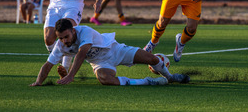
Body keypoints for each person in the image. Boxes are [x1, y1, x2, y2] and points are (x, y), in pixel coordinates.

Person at [29, 18, 190, 86]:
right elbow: (47, 65)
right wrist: (38, 81)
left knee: (151, 58)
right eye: (61, 38)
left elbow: (81, 53)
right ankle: (148, 82)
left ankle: (170, 77)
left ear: (73, 31)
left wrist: (70, 76)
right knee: (105, 79)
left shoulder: (84, 31)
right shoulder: (60, 44)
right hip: (100, 62)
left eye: (66, 36)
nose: (64, 41)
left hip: (115, 50)